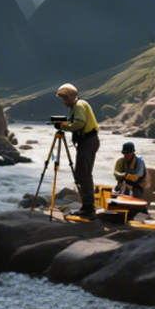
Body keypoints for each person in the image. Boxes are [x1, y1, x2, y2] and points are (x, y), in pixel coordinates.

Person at [55, 83, 99, 218]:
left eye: (65, 97)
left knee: (83, 174)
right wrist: (66, 124)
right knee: (82, 174)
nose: (64, 101)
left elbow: (80, 123)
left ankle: (89, 207)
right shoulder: (78, 105)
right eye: (62, 98)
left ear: (72, 96)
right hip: (88, 142)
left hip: (88, 141)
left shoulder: (79, 105)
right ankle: (87, 205)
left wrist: (64, 127)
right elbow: (77, 122)